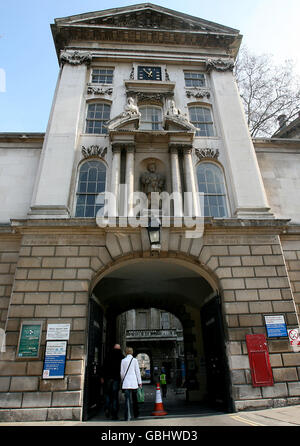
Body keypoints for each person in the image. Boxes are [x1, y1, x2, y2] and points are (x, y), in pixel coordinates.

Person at [100, 344, 124, 420]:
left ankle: (107, 408)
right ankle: (114, 414)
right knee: (115, 396)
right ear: (119, 349)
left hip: (107, 378)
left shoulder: (108, 355)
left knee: (107, 394)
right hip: (116, 378)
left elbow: (103, 366)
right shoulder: (121, 356)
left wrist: (102, 377)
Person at [120, 347, 142, 421]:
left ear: (125, 352)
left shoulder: (123, 361)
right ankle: (136, 414)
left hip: (126, 383)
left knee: (127, 400)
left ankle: (127, 416)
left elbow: (122, 373)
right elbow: (137, 372)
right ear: (132, 352)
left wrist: (123, 380)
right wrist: (140, 382)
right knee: (135, 399)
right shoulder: (135, 360)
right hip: (134, 383)